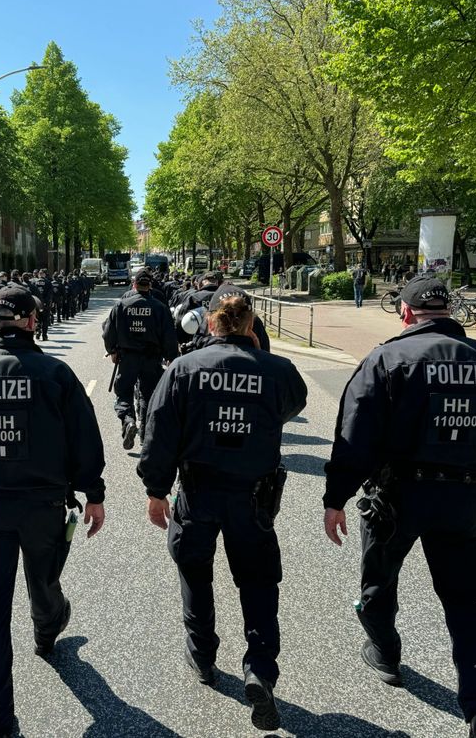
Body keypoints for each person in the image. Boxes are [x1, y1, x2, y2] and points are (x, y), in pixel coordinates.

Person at [323, 276, 476, 738]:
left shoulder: (387, 358)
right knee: (464, 599)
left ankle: (386, 653)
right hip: (463, 496)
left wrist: (335, 498)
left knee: (378, 583)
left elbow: (355, 436)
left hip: (398, 496)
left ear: (406, 313)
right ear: (449, 313)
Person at [0, 285, 107, 738]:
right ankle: (47, 628)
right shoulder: (55, 375)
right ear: (32, 321)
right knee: (44, 579)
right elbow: (84, 438)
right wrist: (93, 493)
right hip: (45, 506)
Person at [137, 293, 307, 732]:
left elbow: (159, 432)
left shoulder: (184, 369)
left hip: (197, 491)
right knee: (258, 581)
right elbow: (292, 406)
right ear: (251, 325)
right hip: (252, 495)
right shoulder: (277, 370)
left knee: (195, 571)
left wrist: (157, 491)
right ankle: (260, 668)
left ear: (210, 324)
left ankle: (203, 655)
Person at [102, 268, 179, 449]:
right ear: (150, 285)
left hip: (127, 358)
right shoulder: (160, 308)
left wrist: (112, 350)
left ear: (134, 284)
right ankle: (145, 435)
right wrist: (171, 357)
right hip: (151, 359)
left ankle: (128, 420)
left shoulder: (121, 305)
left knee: (124, 393)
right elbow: (169, 336)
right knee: (148, 396)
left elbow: (108, 332)